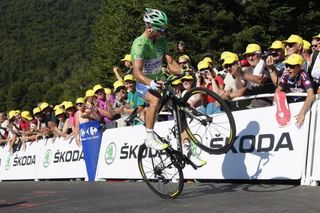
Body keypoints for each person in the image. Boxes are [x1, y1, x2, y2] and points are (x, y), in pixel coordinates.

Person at [131, 8, 206, 166]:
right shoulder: (139, 44)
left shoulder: (162, 41)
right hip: (143, 82)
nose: (163, 33)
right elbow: (137, 73)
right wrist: (150, 83)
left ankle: (187, 149)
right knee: (155, 99)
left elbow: (171, 64)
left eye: (165, 29)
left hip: (161, 80)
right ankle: (149, 136)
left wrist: (184, 71)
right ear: (150, 27)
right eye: (161, 29)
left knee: (180, 109)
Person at [277, 54, 314, 128]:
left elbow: (311, 94)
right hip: (291, 106)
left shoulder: (303, 75)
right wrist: (281, 109)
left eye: (291, 66)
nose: (288, 68)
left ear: (299, 67)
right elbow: (278, 90)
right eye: (286, 65)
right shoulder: (286, 74)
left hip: (304, 106)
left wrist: (302, 113)